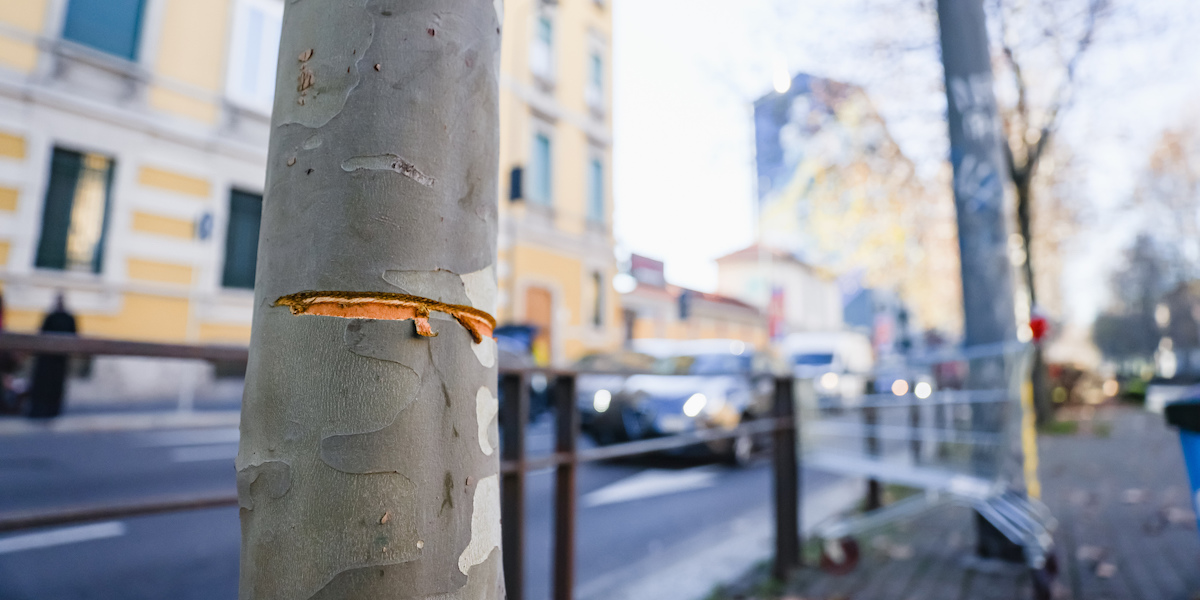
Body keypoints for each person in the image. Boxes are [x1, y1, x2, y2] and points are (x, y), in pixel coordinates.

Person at [28, 293, 76, 418]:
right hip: (47, 359)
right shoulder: (51, 316)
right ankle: (40, 409)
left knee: (55, 388)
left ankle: (52, 410)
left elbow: (74, 335)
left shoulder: (68, 318)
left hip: (59, 361)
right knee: (43, 387)